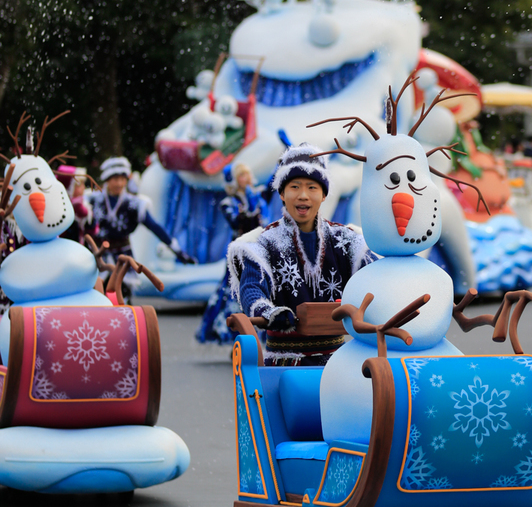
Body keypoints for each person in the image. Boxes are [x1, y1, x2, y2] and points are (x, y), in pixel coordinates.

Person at [227, 143, 375, 366]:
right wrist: (269, 312)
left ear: (324, 195)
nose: (303, 196)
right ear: (282, 194)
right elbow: (251, 287)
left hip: (339, 366)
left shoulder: (348, 241)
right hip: (283, 363)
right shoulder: (262, 243)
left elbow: (374, 281)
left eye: (312, 188)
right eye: (295, 187)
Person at [195, 162, 271, 344]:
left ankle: (257, 336)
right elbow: (236, 223)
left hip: (258, 252)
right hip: (238, 254)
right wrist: (249, 212)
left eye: (247, 174)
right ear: (236, 180)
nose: (246, 179)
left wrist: (282, 160)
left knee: (260, 291)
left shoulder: (258, 196)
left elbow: (273, 186)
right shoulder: (229, 202)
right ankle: (235, 336)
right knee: (233, 293)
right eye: (241, 176)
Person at [89, 156, 196, 279]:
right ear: (107, 179)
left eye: (122, 179)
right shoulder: (93, 201)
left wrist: (176, 250)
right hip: (98, 255)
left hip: (122, 255)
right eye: (115, 179)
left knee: (123, 293)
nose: (119, 183)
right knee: (96, 291)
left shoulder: (133, 204)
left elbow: (154, 226)